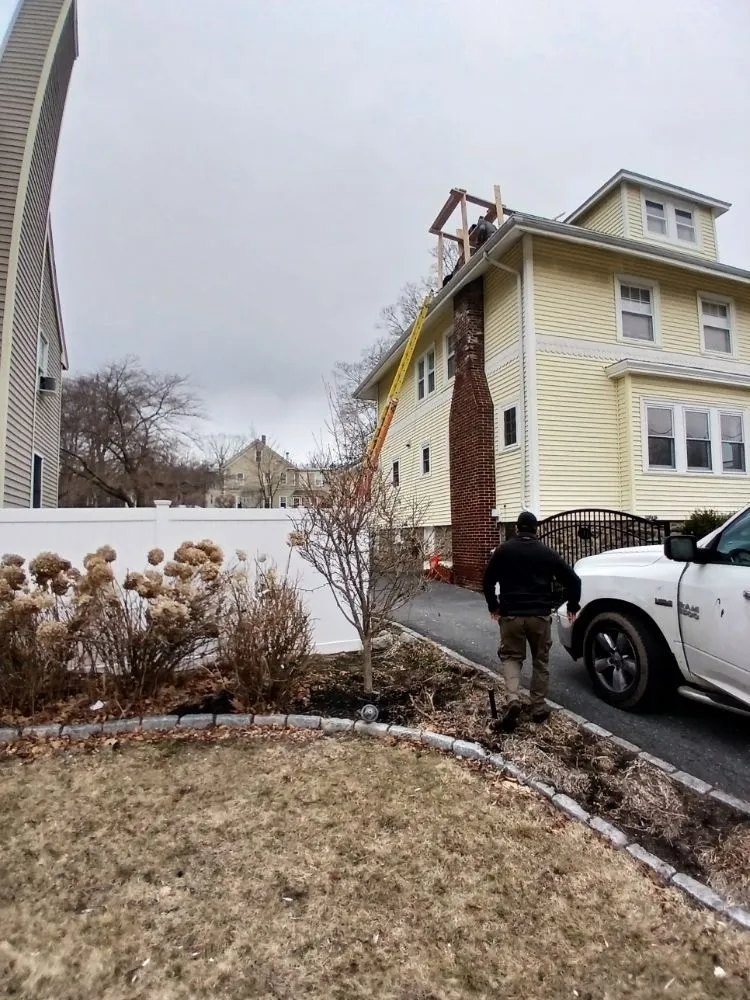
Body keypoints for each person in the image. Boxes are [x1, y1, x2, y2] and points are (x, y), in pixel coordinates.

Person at [482, 511, 581, 730]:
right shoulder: (547, 553)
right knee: (540, 660)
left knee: (511, 657)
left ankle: (513, 699)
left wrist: (494, 606)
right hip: (539, 616)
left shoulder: (503, 551)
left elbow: (487, 580)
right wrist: (573, 605)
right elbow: (574, 581)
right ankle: (538, 706)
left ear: (517, 528)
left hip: (511, 615)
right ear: (536, 529)